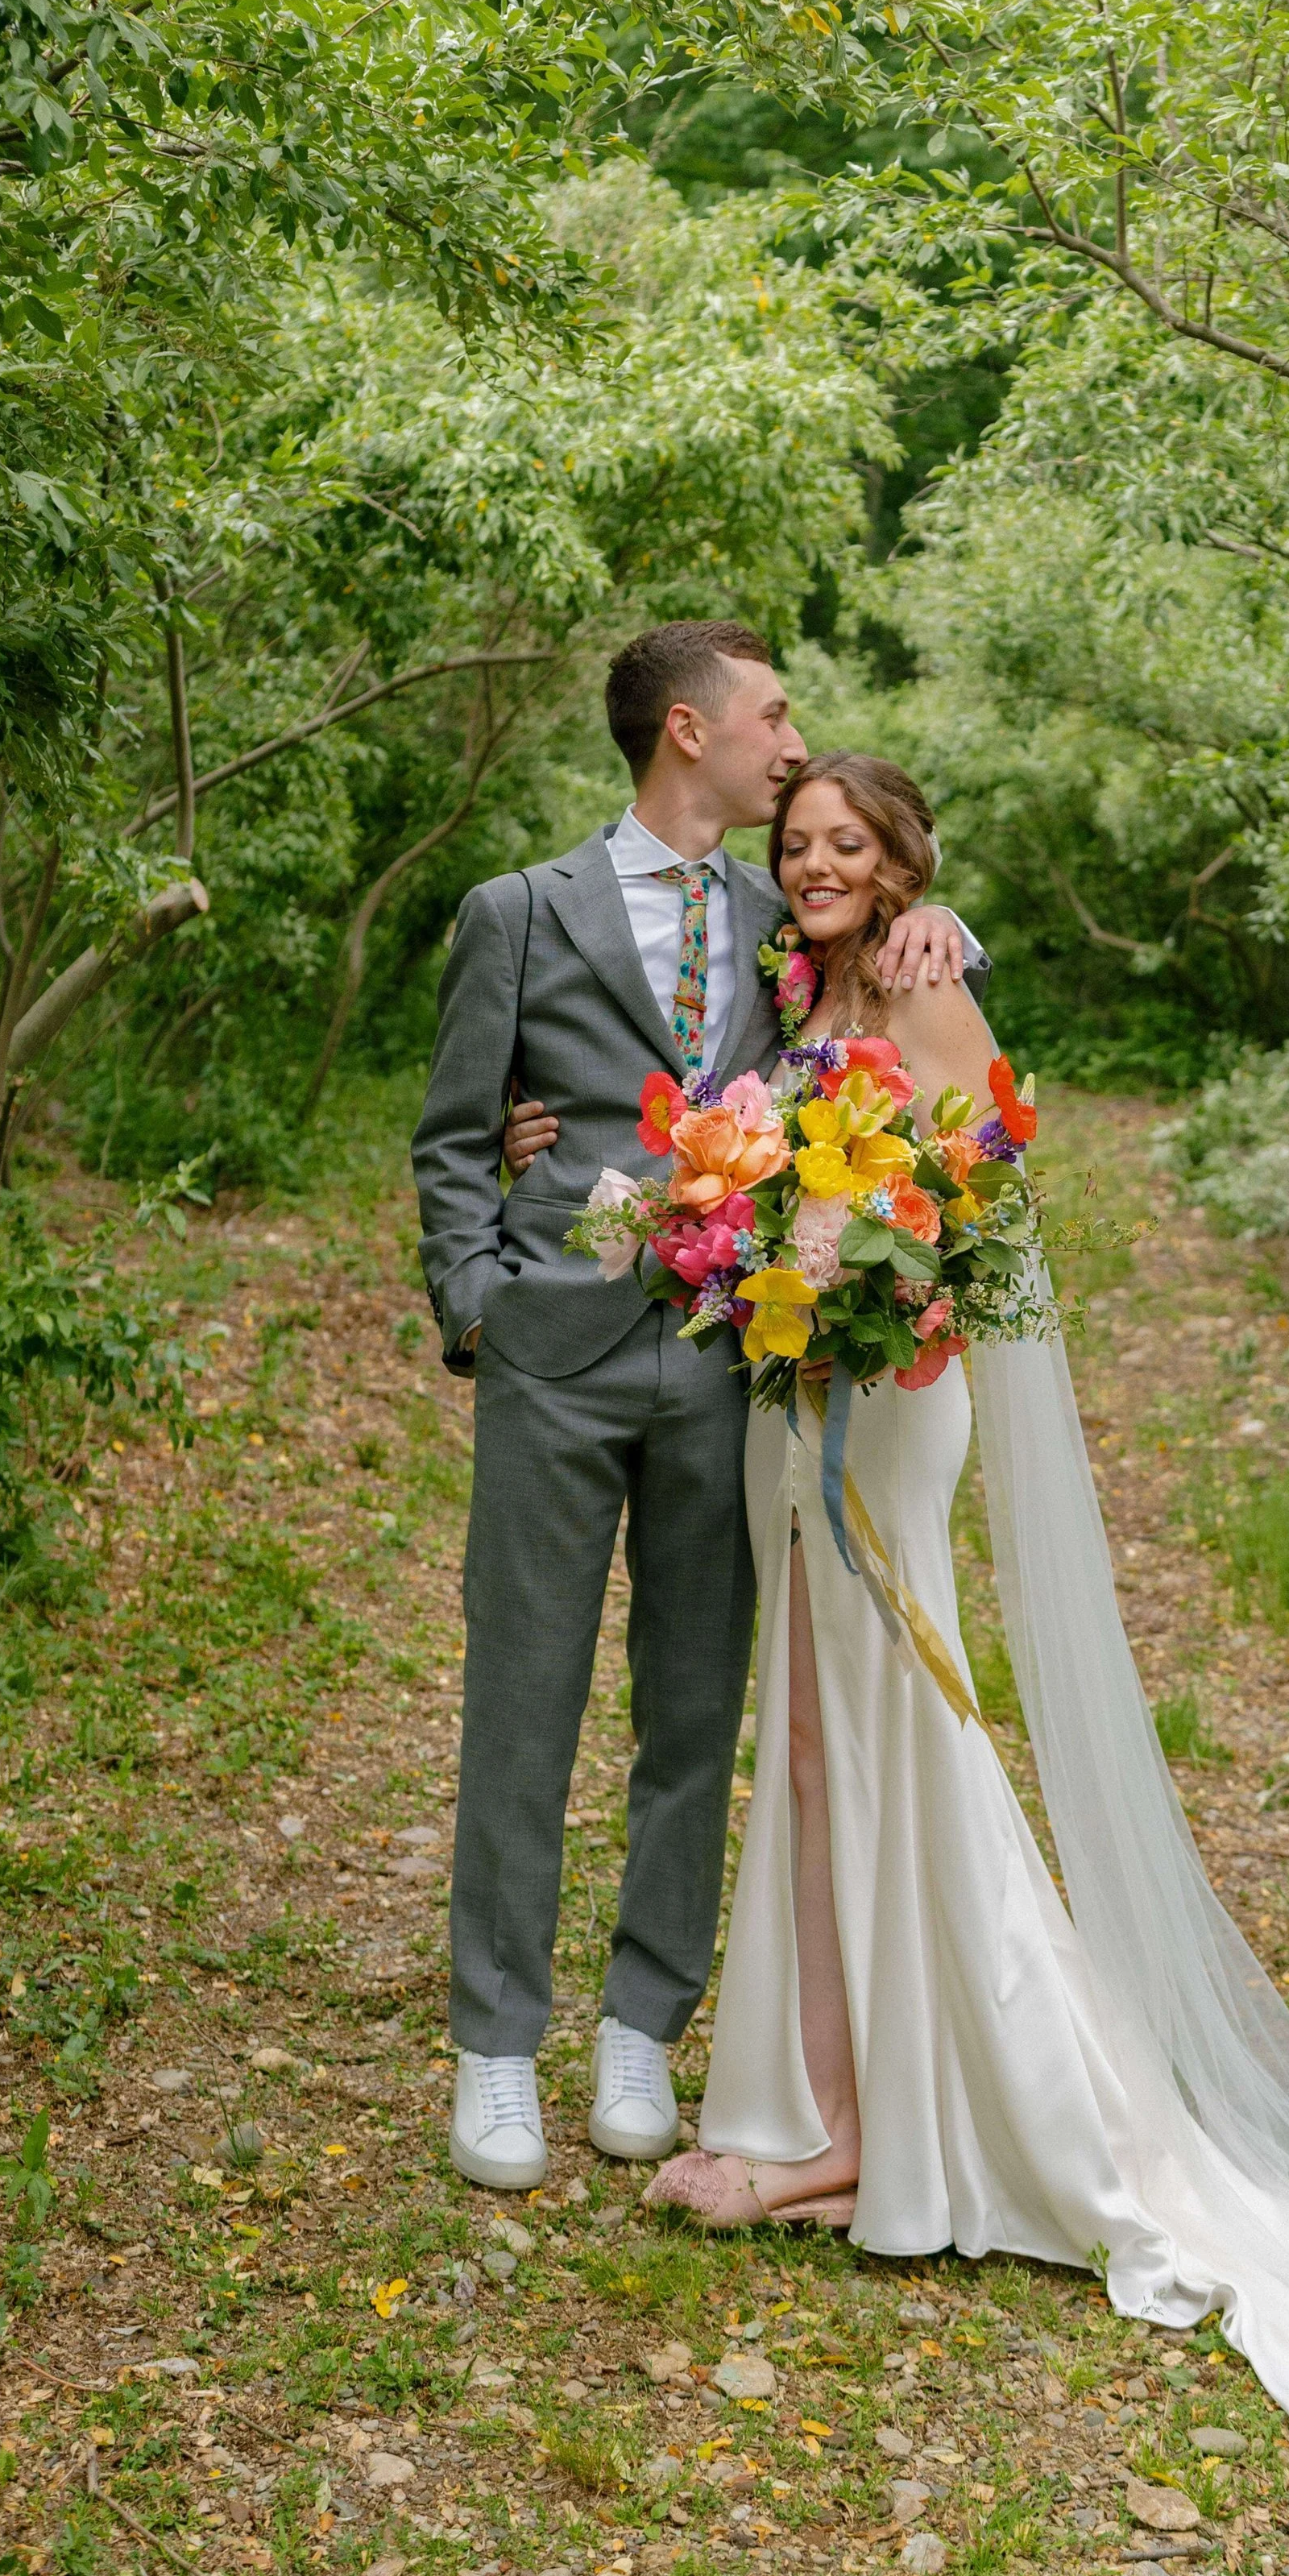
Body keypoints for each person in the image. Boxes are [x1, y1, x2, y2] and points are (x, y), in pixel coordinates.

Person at [597, 748, 1289, 2424]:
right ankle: (827, 2106)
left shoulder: (922, 983)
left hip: (884, 1403)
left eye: (846, 845)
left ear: (900, 863)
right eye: (796, 841)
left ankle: (927, 2122)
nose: (813, 864)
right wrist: (734, 1228)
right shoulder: (788, 976)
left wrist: (862, 1257)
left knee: (901, 1729)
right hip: (784, 1396)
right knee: (809, 1748)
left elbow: (985, 1209)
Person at [411, 626, 982, 2193]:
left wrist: (945, 926)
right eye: (770, 716)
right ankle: (493, 2051)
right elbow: (459, 1135)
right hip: (549, 1360)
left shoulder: (782, 917)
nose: (790, 744)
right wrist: (476, 1300)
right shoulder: (516, 916)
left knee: (691, 1709)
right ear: (688, 732)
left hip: (725, 1370)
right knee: (521, 1706)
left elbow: (889, 971)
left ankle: (637, 2033)